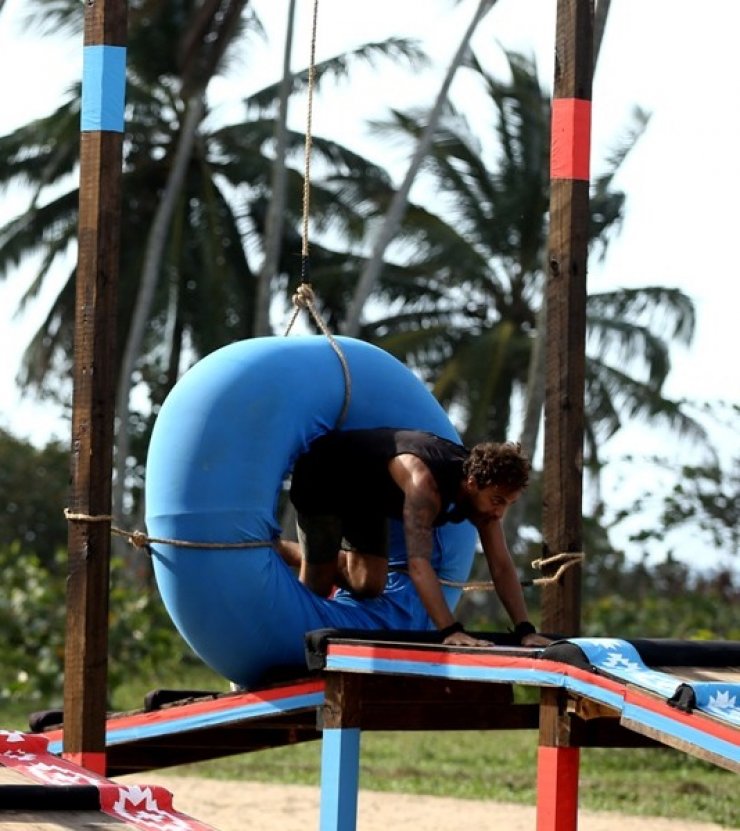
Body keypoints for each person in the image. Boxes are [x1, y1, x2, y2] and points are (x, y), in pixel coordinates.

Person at [277, 428, 549, 648]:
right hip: (325, 476)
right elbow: (419, 565)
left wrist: (525, 630)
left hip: (367, 497)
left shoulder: (484, 497)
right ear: (472, 484)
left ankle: (300, 553)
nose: (500, 512)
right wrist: (450, 631)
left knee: (369, 584)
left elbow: (501, 565)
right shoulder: (426, 486)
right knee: (318, 586)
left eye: (508, 504)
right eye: (497, 501)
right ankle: (282, 552)